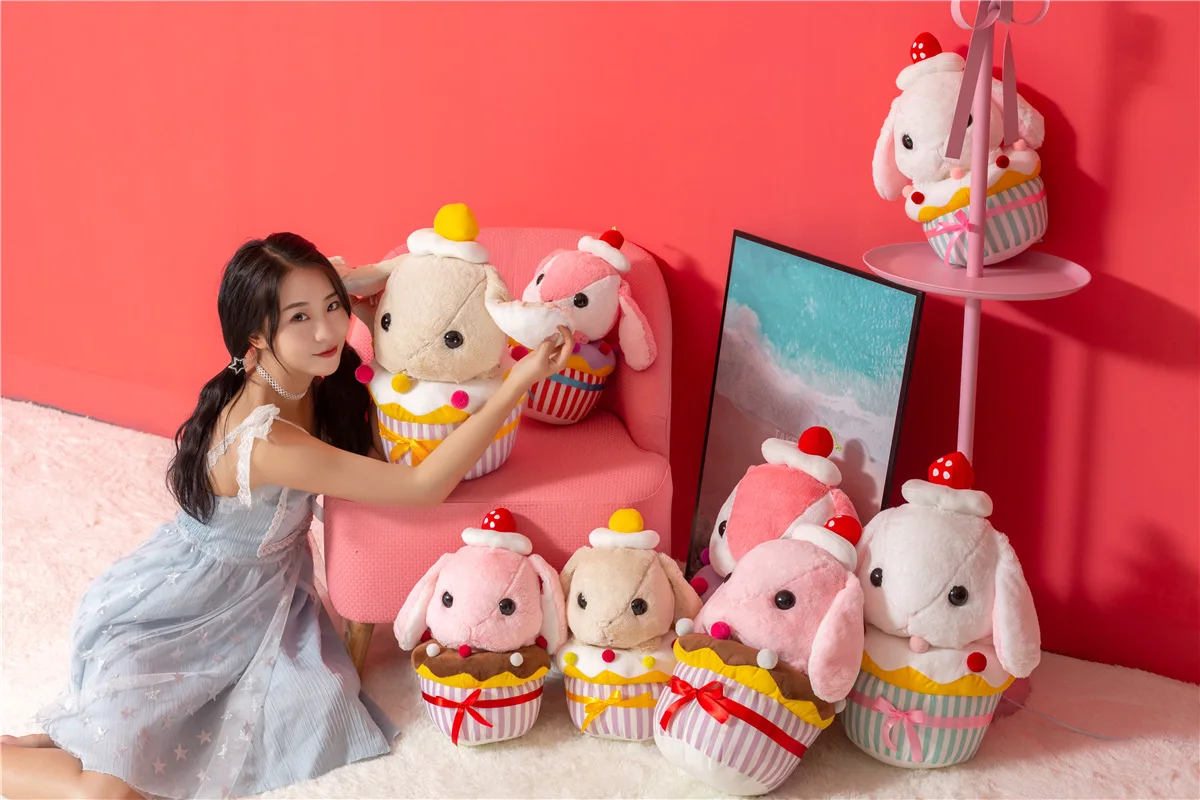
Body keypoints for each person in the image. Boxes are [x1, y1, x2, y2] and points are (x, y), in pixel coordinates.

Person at [0, 232, 572, 799]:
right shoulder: (266, 440)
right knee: (107, 794)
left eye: (331, 307)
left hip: (260, 601)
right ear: (255, 335)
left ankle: (56, 743)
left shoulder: (312, 377)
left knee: (307, 710)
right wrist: (517, 382)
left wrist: (360, 302)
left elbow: (364, 309)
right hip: (178, 612)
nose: (327, 331)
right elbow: (423, 487)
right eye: (300, 317)